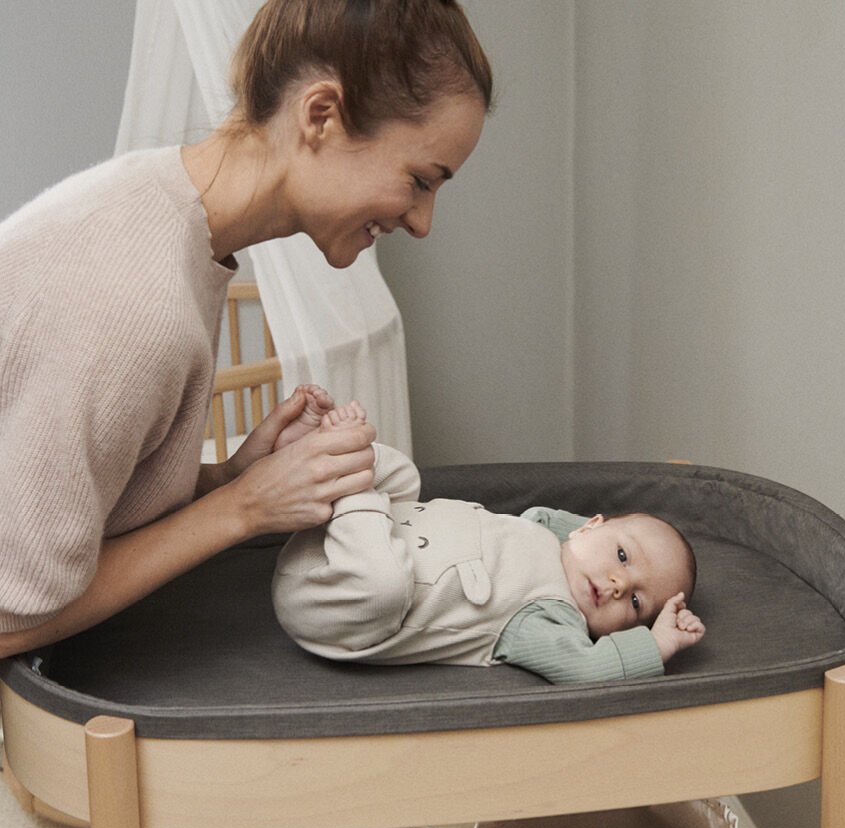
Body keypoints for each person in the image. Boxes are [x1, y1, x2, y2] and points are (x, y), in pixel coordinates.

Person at [0, 0, 492, 660]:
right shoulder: (134, 299)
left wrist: (229, 477)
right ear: (321, 115)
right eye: (420, 181)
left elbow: (67, 501)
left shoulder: (162, 211)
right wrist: (243, 508)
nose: (423, 222)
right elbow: (9, 619)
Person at [272, 390, 705, 684]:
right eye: (624, 556)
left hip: (334, 602)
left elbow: (586, 667)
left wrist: (658, 644)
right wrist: (583, 538)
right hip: (332, 538)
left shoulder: (546, 619)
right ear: (588, 525)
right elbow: (568, 528)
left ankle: (346, 479)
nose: (618, 584)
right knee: (403, 476)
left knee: (384, 585)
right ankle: (315, 458)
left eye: (636, 603)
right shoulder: (545, 532)